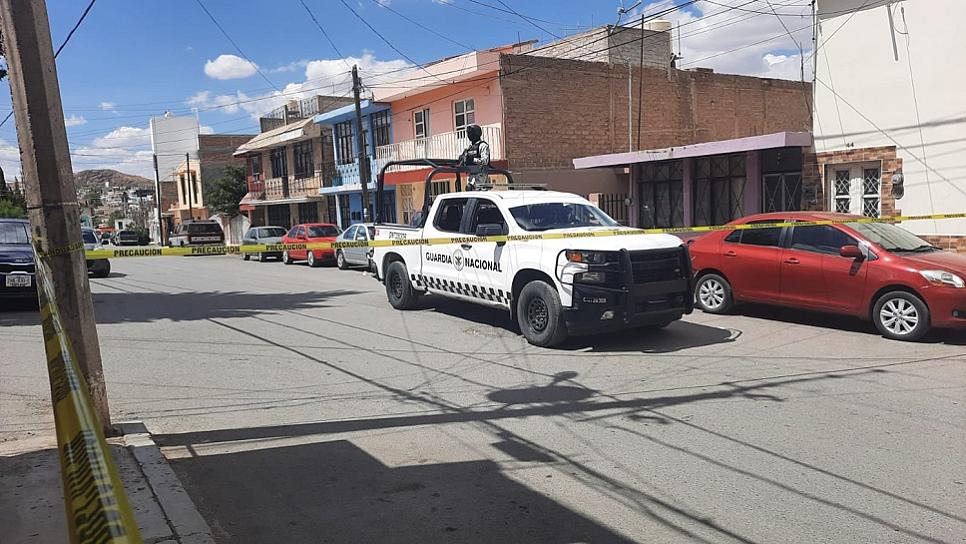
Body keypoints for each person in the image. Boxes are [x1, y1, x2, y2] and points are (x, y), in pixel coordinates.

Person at [458, 124, 490, 190]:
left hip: (481, 179)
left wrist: (472, 159)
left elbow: (485, 161)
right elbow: (463, 160)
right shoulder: (469, 148)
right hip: (471, 178)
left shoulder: (483, 146)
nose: (469, 135)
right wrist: (462, 159)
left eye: (471, 133)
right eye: (468, 133)